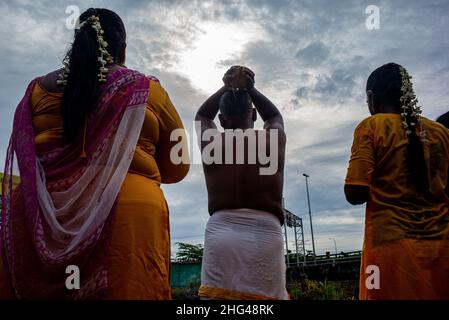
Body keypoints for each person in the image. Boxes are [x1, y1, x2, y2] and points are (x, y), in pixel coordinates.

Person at [0, 8, 189, 299]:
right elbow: (178, 166)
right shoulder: (147, 91)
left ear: (78, 41)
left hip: (39, 219)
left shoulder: (35, 92)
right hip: (129, 218)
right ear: (122, 49)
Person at [344, 62, 449, 299]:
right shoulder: (442, 133)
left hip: (391, 250)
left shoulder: (371, 126)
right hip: (442, 248)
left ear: (371, 97)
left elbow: (355, 193)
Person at [195, 66, 288, 300]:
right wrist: (251, 89)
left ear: (221, 120)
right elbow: (275, 117)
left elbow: (202, 116)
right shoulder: (271, 141)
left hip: (221, 232)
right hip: (267, 235)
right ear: (254, 116)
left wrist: (225, 86)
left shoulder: (212, 143)